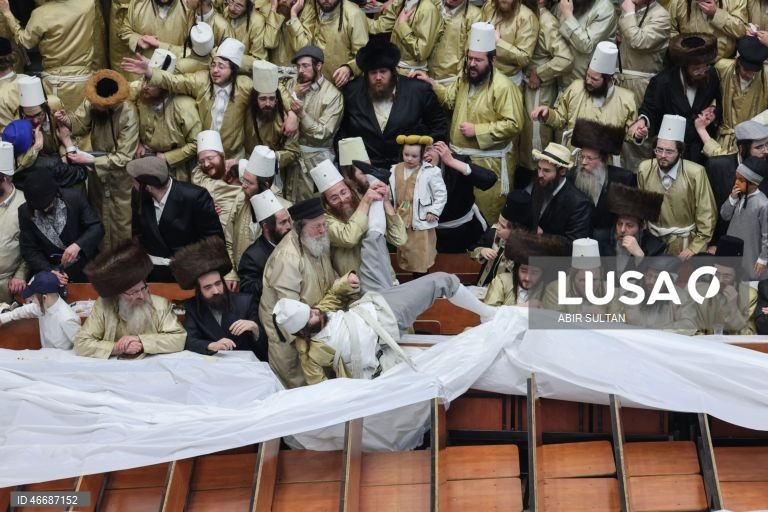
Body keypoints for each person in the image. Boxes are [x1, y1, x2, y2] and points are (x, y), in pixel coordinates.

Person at [272, 271, 496, 384]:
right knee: (434, 370)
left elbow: (333, 295)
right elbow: (321, 388)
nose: (316, 311)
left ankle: (490, 314)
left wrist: (345, 282)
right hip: (377, 353)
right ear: (302, 331)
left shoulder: (319, 312)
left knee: (442, 280)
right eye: (311, 316)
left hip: (380, 309)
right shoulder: (310, 355)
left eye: (312, 309)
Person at [413, 22, 526, 223]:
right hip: (457, 162)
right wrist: (432, 84)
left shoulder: (504, 87)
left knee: (485, 216)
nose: (472, 64)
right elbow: (449, 99)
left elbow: (514, 124)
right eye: (470, 58)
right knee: (461, 213)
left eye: (478, 60)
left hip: (489, 164)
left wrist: (478, 130)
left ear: (492, 60)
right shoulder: (465, 78)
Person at [122, 38, 252, 158]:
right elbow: (175, 81)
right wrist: (150, 72)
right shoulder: (202, 80)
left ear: (233, 70)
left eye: (221, 66)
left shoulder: (244, 86)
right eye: (213, 65)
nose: (215, 70)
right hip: (204, 154)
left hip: (233, 156)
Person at [258, 197, 338, 388]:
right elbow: (290, 312)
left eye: (323, 224)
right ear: (300, 228)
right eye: (316, 226)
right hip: (293, 341)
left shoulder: (315, 241)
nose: (322, 230)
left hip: (315, 331)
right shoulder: (288, 257)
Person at [57, 69, 139, 252]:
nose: (92, 106)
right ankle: (101, 262)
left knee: (120, 222)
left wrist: (89, 160)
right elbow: (80, 122)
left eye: (97, 105)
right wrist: (67, 120)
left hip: (119, 176)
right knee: (97, 217)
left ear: (110, 104)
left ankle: (123, 264)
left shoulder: (128, 114)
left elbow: (124, 157)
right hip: (96, 175)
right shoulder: (92, 102)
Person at [338, 38, 447, 170]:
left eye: (383, 72)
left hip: (409, 168)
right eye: (373, 73)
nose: (378, 77)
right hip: (366, 171)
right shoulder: (351, 93)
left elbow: (439, 127)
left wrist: (429, 151)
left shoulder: (418, 91)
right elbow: (342, 134)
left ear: (393, 72)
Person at [74, 239, 186, 359]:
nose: (142, 296)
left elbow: (179, 338)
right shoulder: (104, 305)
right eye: (133, 292)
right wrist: (116, 347)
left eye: (143, 288)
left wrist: (141, 341)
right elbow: (81, 343)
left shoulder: (160, 304)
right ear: (118, 294)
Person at [311, 158, 406, 291]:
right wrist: (366, 202)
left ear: (350, 189)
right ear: (326, 202)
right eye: (334, 198)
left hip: (384, 278)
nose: (342, 199)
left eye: (344, 192)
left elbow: (399, 239)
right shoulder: (326, 221)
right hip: (357, 286)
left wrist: (385, 202)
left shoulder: (365, 203)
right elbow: (349, 238)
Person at [628, 33, 722, 164]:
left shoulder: (712, 75)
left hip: (701, 151)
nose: (702, 71)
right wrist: (642, 121)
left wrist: (713, 112)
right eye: (696, 69)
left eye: (705, 66)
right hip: (672, 152)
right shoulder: (662, 82)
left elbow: (718, 102)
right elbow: (649, 109)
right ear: (684, 67)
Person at [128, 156, 224, 282]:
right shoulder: (138, 195)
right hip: (152, 273)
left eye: (133, 181)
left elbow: (213, 241)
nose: (132, 183)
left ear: (147, 186)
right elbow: (137, 232)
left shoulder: (195, 197)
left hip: (188, 273)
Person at [170, 236, 266, 360]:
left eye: (218, 283)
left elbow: (266, 345)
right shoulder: (193, 307)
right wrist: (211, 345)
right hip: (212, 364)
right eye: (208, 287)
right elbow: (190, 341)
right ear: (199, 290)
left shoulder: (246, 302)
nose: (216, 291)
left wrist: (255, 328)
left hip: (244, 365)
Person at [636, 114, 717, 259]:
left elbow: (707, 216)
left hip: (685, 245)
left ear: (680, 152)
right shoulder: (645, 169)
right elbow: (640, 210)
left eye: (669, 151)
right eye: (659, 150)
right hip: (653, 242)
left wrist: (694, 248)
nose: (662, 155)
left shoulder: (696, 173)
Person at [530, 42, 637, 151]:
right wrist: (548, 114)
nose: (588, 81)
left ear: (608, 80)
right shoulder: (576, 88)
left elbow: (630, 134)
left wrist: (637, 134)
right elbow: (561, 119)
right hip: (574, 157)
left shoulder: (626, 99)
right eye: (587, 75)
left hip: (605, 162)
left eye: (594, 79)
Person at [0, 0, 98, 110]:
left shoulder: (41, 14)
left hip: (55, 82)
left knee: (56, 123)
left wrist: (7, 13)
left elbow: (26, 42)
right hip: (84, 78)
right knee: (85, 123)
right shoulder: (88, 4)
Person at [18, 170, 104, 285]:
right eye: (40, 208)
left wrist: (78, 245)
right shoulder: (24, 212)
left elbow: (97, 227)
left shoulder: (75, 198)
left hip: (86, 268)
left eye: (47, 205)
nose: (44, 210)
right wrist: (49, 270)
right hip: (53, 272)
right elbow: (29, 250)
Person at [280, 46, 344, 200]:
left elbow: (323, 133)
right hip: (291, 157)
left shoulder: (333, 95)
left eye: (305, 66)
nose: (300, 70)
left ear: (319, 66)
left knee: (316, 207)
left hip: (318, 161)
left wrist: (301, 114)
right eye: (298, 66)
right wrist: (294, 97)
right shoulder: (291, 85)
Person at [133, 49, 202, 182]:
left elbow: (196, 142)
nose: (145, 86)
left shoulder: (184, 106)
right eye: (144, 80)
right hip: (145, 160)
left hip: (175, 170)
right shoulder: (143, 98)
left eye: (152, 83)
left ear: (165, 85)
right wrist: (138, 143)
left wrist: (168, 157)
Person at [520, 0, 573, 171]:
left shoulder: (547, 21)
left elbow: (565, 58)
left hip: (539, 92)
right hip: (525, 86)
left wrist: (540, 73)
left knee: (535, 143)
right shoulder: (528, 14)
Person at [226, 145, 292, 277]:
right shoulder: (241, 199)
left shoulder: (285, 208)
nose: (243, 186)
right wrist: (230, 273)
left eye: (249, 183)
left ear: (265, 185)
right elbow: (228, 239)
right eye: (243, 179)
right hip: (240, 274)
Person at [567, 119, 637, 242]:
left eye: (589, 158)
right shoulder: (572, 175)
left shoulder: (624, 179)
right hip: (578, 238)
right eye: (581, 157)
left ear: (603, 160)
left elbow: (628, 217)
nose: (583, 162)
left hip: (610, 241)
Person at [389, 135, 447, 277]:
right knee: (405, 250)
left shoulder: (431, 172)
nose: (409, 158)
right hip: (401, 216)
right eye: (406, 154)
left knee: (421, 256)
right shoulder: (395, 169)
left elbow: (441, 193)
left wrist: (434, 211)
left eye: (414, 156)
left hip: (420, 218)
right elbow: (392, 191)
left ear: (422, 155)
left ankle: (421, 280)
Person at [424, 141, 497, 253]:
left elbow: (489, 179)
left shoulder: (455, 161)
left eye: (428, 149)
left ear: (438, 148)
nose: (424, 155)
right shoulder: (410, 168)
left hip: (467, 231)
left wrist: (452, 161)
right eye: (420, 152)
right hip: (431, 235)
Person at [284, 0, 369, 87]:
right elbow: (302, 48)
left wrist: (349, 68)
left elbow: (365, 54)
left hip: (346, 86)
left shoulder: (354, 14)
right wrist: (293, 15)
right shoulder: (314, 10)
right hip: (317, 86)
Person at [712, 36, 768, 155]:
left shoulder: (766, 74)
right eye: (746, 70)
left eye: (755, 71)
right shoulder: (722, 68)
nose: (750, 75)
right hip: (725, 139)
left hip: (756, 141)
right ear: (738, 62)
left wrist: (754, 123)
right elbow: (709, 93)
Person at [528, 142, 593, 245]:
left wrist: (543, 237)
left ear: (562, 171)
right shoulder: (540, 184)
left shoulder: (579, 204)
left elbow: (574, 244)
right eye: (539, 168)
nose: (540, 174)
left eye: (546, 171)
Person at [483, 229, 567, 307]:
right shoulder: (502, 282)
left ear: (542, 273)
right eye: (523, 270)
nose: (527, 278)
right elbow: (488, 313)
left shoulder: (549, 291)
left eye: (534, 273)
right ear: (516, 269)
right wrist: (521, 307)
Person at [0, 271, 80, 350]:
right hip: (45, 356)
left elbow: (82, 347)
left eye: (33, 297)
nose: (32, 301)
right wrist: (4, 318)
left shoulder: (67, 318)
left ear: (44, 298)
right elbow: (26, 310)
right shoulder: (44, 306)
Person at [694, 236, 757, 335]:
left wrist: (733, 308)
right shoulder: (699, 292)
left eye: (727, 276)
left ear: (736, 276)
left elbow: (749, 336)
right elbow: (693, 329)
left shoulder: (750, 296)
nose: (720, 280)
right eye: (717, 274)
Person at [621, 256, 698, 334]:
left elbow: (689, 325)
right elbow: (616, 318)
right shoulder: (631, 293)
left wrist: (655, 333)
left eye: (658, 278)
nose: (651, 282)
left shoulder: (683, 298)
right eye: (649, 275)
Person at [719, 156, 768, 280]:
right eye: (737, 178)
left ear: (754, 183)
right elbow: (725, 215)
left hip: (751, 252)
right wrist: (732, 198)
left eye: (741, 180)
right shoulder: (738, 195)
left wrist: (763, 259)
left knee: (749, 280)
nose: (736, 182)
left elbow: (766, 235)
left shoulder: (763, 204)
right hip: (732, 250)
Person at [238, 189, 293, 298]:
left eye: (288, 220)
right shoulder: (252, 257)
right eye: (282, 222)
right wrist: (275, 277)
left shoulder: (293, 242)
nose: (289, 226)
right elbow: (248, 290)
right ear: (266, 227)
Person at [601, 183, 666, 274]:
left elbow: (652, 282)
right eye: (619, 224)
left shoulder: (655, 247)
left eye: (629, 225)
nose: (622, 230)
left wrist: (640, 256)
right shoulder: (602, 240)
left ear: (641, 227)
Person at [368, 0, 441, 76]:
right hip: (396, 68)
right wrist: (359, 13)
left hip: (412, 74)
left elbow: (421, 52)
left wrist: (403, 24)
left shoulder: (428, 9)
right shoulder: (402, 3)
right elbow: (380, 26)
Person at [554, 0, 617, 88]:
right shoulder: (565, 4)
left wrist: (568, 16)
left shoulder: (604, 8)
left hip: (589, 83)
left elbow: (586, 45)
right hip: (562, 79)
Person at [480, 0, 538, 84]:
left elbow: (524, 58)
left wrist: (497, 42)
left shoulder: (527, 17)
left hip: (508, 80)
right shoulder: (490, 6)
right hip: (483, 74)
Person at [426, 0, 482, 82]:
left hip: (449, 80)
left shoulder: (474, 16)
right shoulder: (432, 5)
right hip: (423, 72)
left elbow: (469, 55)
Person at [0, 140, 27, 303]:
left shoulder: (24, 204)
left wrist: (21, 274)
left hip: (7, 287)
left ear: (4, 179)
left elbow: (32, 247)